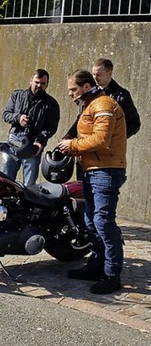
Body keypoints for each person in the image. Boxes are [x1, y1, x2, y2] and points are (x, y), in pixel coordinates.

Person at [57, 70, 127, 295]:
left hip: (106, 171)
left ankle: (111, 275)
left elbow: (101, 139)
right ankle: (96, 266)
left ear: (86, 87)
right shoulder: (89, 105)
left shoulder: (103, 104)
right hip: (91, 170)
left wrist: (73, 146)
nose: (69, 94)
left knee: (104, 222)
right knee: (90, 221)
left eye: (73, 89)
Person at [1, 69, 60, 186]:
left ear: (47, 84)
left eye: (43, 84)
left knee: (29, 186)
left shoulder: (52, 104)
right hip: (13, 144)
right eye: (36, 82)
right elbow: (5, 114)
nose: (39, 86)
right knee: (6, 182)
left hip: (33, 147)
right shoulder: (17, 96)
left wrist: (40, 140)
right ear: (31, 81)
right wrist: (18, 118)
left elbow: (52, 127)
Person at [91, 58, 140, 138]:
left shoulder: (122, 96)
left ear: (109, 73)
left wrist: (114, 138)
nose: (95, 78)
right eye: (93, 74)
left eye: (98, 75)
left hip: (110, 147)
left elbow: (134, 124)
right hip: (89, 142)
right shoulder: (89, 92)